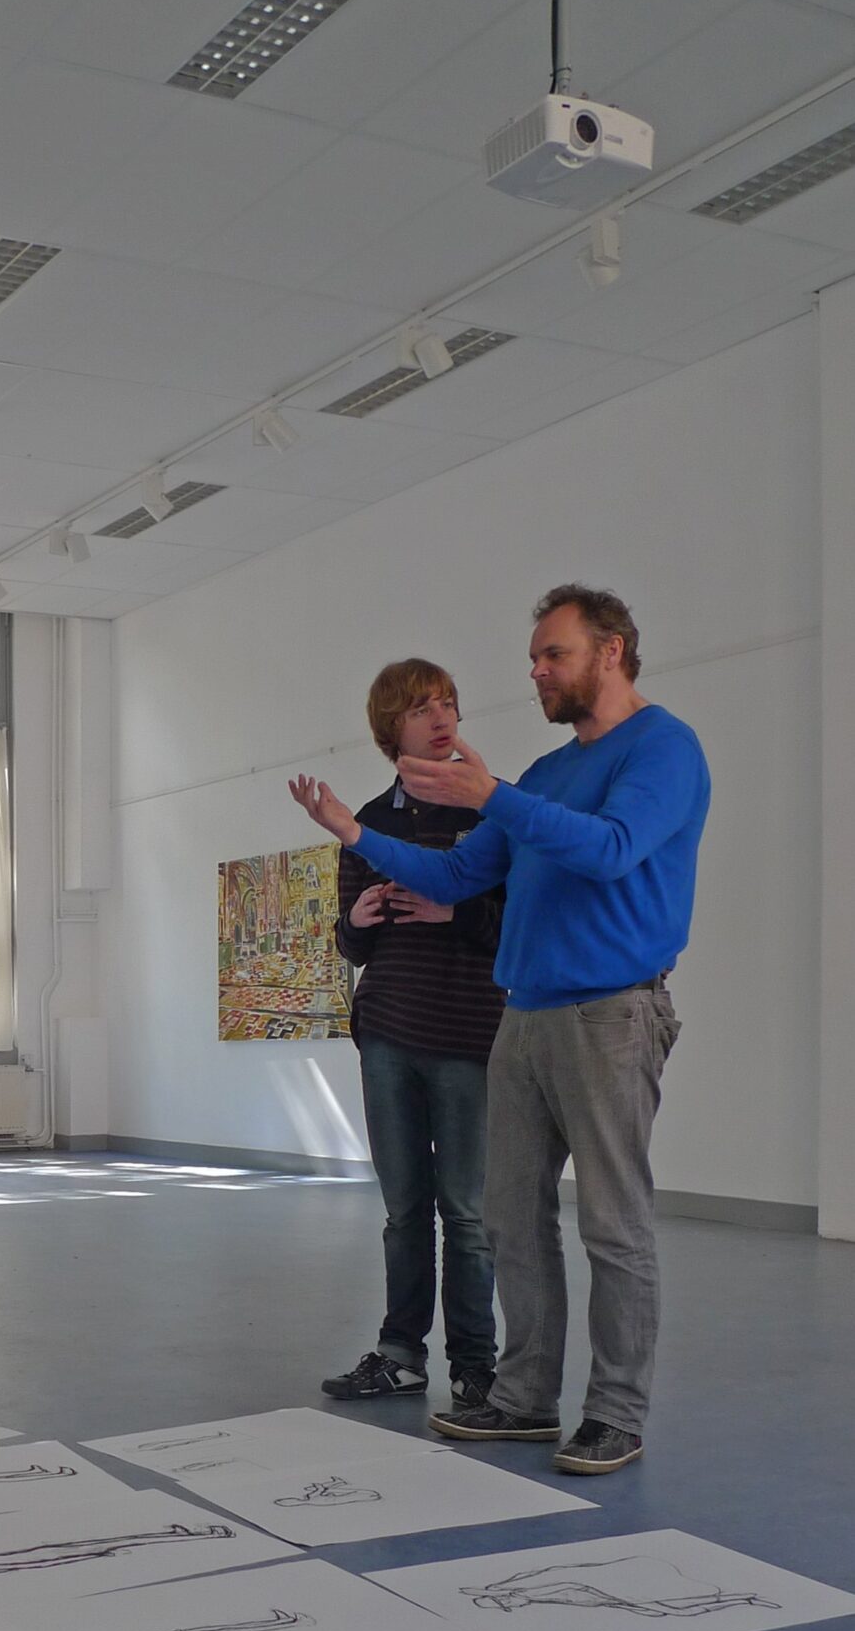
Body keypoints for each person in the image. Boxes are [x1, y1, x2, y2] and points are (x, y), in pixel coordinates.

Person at [291, 585, 709, 1475]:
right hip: (523, 1014)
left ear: (612, 650)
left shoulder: (664, 749)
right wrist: (354, 831)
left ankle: (616, 1412)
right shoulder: (549, 774)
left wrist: (493, 795)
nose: (537, 672)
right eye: (534, 659)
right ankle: (523, 1399)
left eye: (554, 654)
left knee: (613, 1227)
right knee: (513, 1222)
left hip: (611, 1014)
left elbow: (610, 849)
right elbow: (452, 878)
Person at [322, 657, 506, 1408]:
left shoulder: (493, 811)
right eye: (423, 708)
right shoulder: (368, 822)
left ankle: (475, 1365)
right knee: (404, 1212)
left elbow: (518, 925)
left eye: (449, 704)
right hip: (389, 1033)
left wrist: (453, 910)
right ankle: (400, 1354)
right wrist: (356, 920)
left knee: (467, 1212)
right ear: (390, 728)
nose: (442, 719)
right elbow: (352, 946)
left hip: (467, 1033)